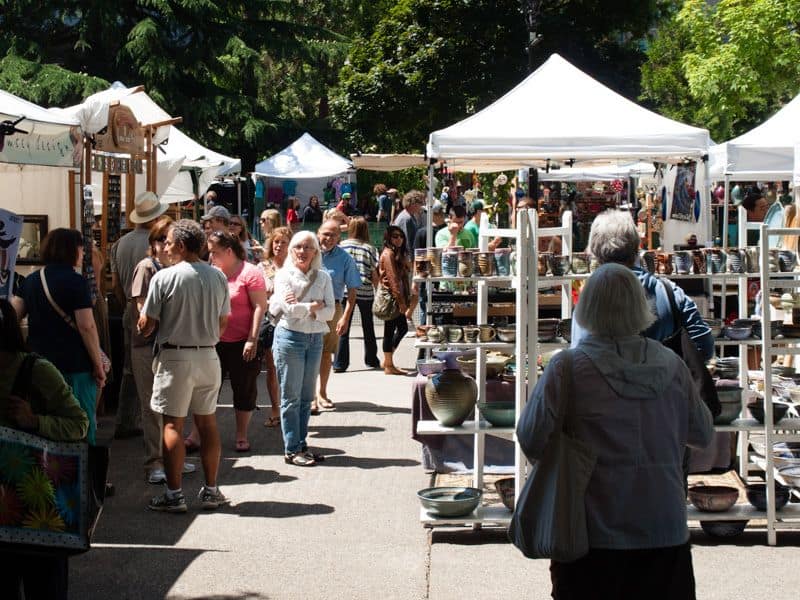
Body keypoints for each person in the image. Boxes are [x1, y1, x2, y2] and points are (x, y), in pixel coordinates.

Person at [519, 264, 713, 599]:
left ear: (587, 308)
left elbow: (530, 437)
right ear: (641, 306)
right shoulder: (671, 365)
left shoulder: (567, 368)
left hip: (591, 535)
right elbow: (702, 434)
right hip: (664, 530)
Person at [0, 298, 90, 600]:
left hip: (38, 510)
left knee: (45, 588)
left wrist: (35, 420)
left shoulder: (36, 370)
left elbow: (79, 424)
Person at [138, 219, 231, 513]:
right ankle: (212, 490)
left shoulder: (164, 278)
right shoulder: (217, 277)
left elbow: (147, 325)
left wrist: (143, 315)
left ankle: (174, 494)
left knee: (172, 424)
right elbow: (223, 322)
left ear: (180, 245)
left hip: (176, 356)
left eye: (168, 242)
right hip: (208, 354)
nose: (165, 247)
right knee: (207, 423)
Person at [570, 210, 714, 361]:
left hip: (601, 382)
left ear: (594, 252)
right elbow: (705, 347)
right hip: (662, 382)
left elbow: (578, 358)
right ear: (636, 247)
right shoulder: (670, 292)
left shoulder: (588, 299)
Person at [12, 228, 106, 444]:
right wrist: (98, 364)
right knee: (80, 423)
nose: (83, 253)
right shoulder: (76, 282)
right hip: (75, 366)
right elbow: (86, 326)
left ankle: (49, 476)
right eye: (81, 248)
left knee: (44, 426)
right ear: (72, 250)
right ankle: (83, 475)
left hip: (39, 365)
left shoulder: (32, 280)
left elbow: (13, 316)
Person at [130, 215, 195, 484]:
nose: (167, 246)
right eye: (162, 240)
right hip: (148, 346)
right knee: (151, 406)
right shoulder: (147, 267)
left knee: (171, 405)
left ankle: (171, 457)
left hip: (167, 346)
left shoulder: (176, 270)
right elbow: (141, 311)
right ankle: (154, 461)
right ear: (154, 243)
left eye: (171, 241)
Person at [269, 230, 335, 466]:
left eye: (308, 247)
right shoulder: (284, 275)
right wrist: (314, 307)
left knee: (307, 397)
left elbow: (330, 312)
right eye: (298, 246)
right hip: (290, 338)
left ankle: (301, 444)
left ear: (316, 251)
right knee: (291, 397)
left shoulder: (323, 277)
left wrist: (305, 307)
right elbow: (288, 311)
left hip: (315, 339)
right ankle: (292, 448)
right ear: (291, 250)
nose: (302, 251)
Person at [110, 191, 170, 440]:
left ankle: (125, 420)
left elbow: (115, 284)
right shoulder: (161, 244)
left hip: (129, 311)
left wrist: (127, 304)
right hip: (156, 316)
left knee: (130, 370)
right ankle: (155, 435)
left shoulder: (120, 244)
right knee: (157, 374)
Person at [207, 230, 267, 453]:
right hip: (214, 341)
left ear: (229, 251)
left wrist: (252, 339)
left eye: (214, 252)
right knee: (208, 389)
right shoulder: (212, 273)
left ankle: (241, 434)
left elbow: (260, 306)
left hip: (243, 341)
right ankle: (198, 433)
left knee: (244, 389)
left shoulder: (250, 272)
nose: (211, 257)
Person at [316, 219, 362, 410]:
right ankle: (308, 395)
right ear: (318, 232)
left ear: (339, 237)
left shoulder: (345, 259)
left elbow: (352, 292)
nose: (328, 238)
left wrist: (345, 318)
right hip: (306, 311)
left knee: (326, 354)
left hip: (332, 309)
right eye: (326, 233)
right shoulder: (306, 252)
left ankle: (322, 392)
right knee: (306, 354)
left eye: (333, 235)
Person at [334, 217, 381, 372]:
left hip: (345, 290)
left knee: (343, 325)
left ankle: (340, 363)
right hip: (365, 291)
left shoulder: (341, 246)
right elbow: (375, 274)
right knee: (368, 326)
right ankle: (371, 359)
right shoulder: (370, 248)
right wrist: (378, 291)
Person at [258, 226, 292, 427]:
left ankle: (290, 408)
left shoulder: (295, 266)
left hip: (291, 321)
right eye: (276, 242)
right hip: (270, 321)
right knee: (272, 368)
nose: (279, 246)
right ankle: (274, 409)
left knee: (289, 368)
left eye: (283, 242)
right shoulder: (262, 266)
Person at [379, 226, 412, 375]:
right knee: (390, 329)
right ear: (388, 238)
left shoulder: (397, 253)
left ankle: (387, 360)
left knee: (401, 328)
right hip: (392, 298)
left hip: (397, 296)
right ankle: (388, 364)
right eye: (395, 236)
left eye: (401, 236)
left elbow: (405, 272)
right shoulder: (388, 254)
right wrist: (401, 302)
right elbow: (393, 279)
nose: (399, 239)